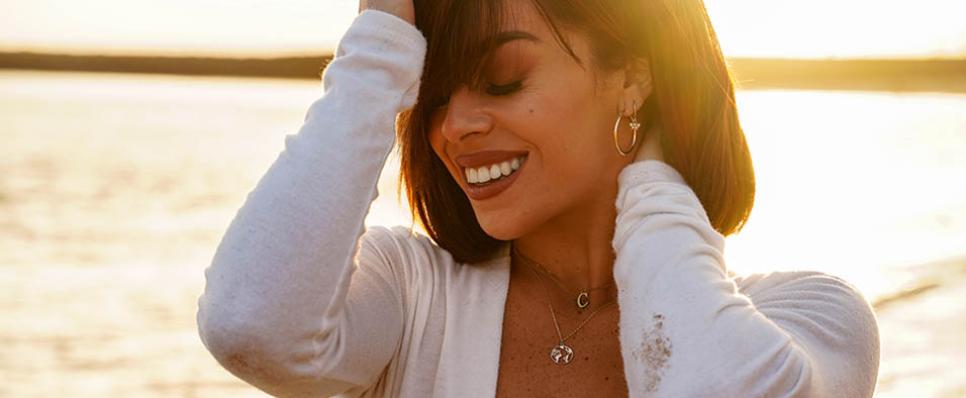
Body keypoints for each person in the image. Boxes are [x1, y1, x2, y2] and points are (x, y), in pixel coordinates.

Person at [195, 0, 881, 396]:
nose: (453, 127)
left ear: (632, 77)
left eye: (501, 80)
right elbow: (250, 326)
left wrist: (651, 174)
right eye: (432, 95)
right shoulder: (408, 296)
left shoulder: (811, 319)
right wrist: (377, 51)